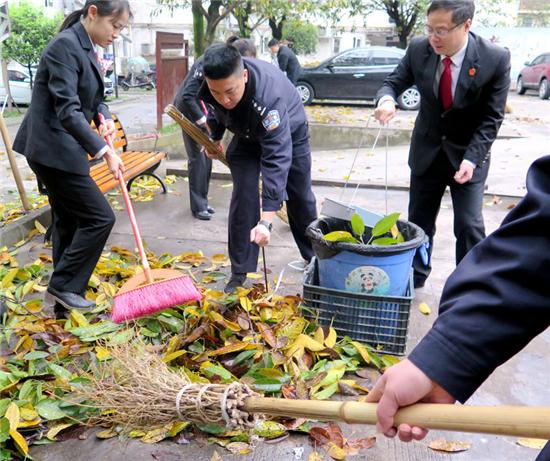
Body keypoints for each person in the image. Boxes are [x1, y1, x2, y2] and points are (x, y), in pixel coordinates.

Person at [365, 155, 550, 461]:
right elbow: (543, 240)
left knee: (468, 223)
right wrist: (443, 358)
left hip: (468, 163)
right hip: (432, 158)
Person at [374, 0, 511, 289]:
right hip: (427, 152)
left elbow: (492, 118)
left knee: (469, 224)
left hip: (468, 156)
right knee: (418, 224)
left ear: (466, 25)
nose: (433, 37)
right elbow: (393, 82)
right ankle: (416, 276)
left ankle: (469, 285)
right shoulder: (419, 49)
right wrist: (387, 100)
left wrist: (472, 159)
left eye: (442, 30)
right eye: (430, 29)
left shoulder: (494, 58)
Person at [13, 0, 131, 310]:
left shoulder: (87, 45)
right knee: (99, 218)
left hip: (60, 148)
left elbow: (96, 97)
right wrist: (104, 151)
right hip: (51, 148)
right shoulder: (64, 46)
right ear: (93, 12)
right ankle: (64, 284)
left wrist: (103, 117)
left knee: (68, 220)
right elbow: (68, 110)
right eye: (114, 26)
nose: (116, 34)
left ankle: (63, 298)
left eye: (121, 29)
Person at [198, 44, 317, 293]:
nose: (224, 99)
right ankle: (239, 271)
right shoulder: (216, 85)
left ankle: (314, 257)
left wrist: (266, 221)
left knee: (300, 196)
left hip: (289, 133)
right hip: (246, 135)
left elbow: (277, 158)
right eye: (217, 92)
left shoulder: (268, 98)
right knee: (243, 195)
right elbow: (215, 110)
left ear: (244, 76)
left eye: (230, 91)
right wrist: (216, 137)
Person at [173, 38, 257, 220]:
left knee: (207, 156)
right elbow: (188, 95)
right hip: (188, 110)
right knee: (197, 158)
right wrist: (204, 121)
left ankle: (203, 201)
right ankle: (198, 207)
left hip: (201, 110)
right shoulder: (209, 62)